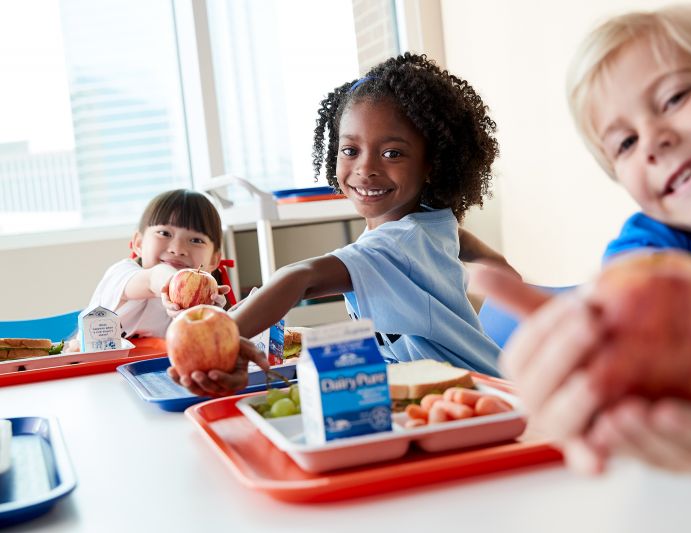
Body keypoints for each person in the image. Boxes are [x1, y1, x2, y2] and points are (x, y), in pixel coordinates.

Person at [473, 3, 691, 475]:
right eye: (624, 143)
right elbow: (625, 292)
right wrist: (602, 347)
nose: (652, 141)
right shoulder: (654, 247)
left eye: (674, 98)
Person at [170, 52, 510, 397]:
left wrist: (222, 338)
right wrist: (500, 267)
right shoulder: (425, 223)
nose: (366, 168)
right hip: (456, 389)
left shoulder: (395, 246)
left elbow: (299, 277)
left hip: (479, 397)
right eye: (350, 150)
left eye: (392, 153)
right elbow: (458, 237)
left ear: (433, 164)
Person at [77, 189, 230, 342]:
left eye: (196, 240)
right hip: (91, 365)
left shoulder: (201, 306)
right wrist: (175, 285)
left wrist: (212, 318)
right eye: (164, 233)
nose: (177, 249)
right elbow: (154, 278)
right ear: (139, 243)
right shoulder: (122, 274)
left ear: (214, 260)